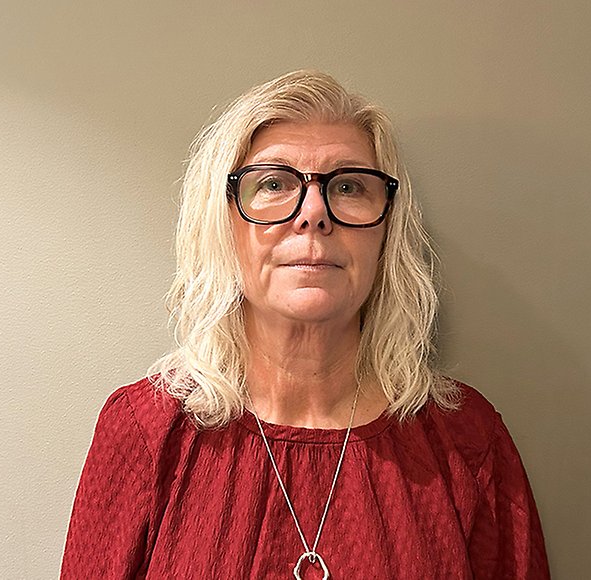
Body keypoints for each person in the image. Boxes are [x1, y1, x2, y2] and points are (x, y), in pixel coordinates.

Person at [61, 70, 549, 579]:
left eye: (349, 186)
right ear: (222, 222)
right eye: (274, 183)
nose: (314, 213)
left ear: (387, 231)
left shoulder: (468, 442)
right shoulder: (145, 434)